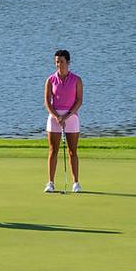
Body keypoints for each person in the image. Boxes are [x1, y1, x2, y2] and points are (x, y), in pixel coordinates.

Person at [43, 49, 84, 193]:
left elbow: (79, 101)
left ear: (68, 62)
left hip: (71, 117)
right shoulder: (50, 80)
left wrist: (66, 116)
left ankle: (76, 183)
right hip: (54, 118)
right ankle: (50, 183)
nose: (58, 64)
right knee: (53, 150)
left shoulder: (77, 80)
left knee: (73, 151)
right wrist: (56, 117)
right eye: (56, 62)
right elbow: (47, 102)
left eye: (61, 61)